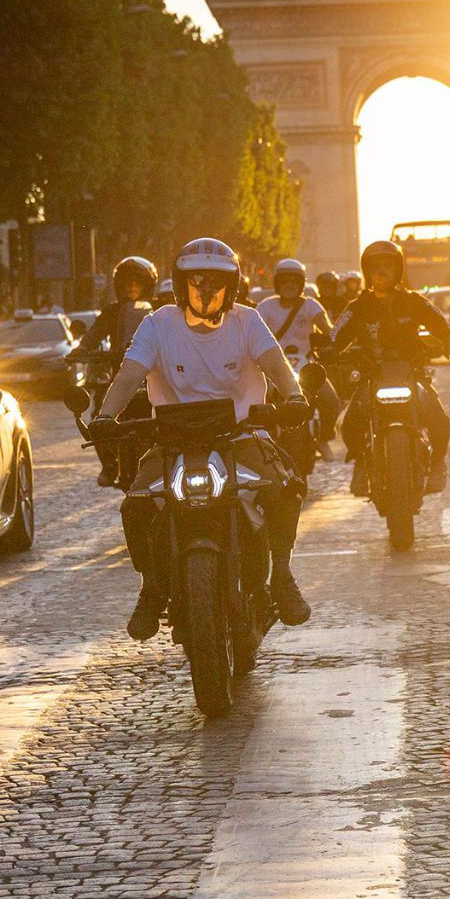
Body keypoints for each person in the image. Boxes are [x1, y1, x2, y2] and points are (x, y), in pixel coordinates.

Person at [90, 237, 313, 640]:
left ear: (232, 286)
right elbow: (128, 374)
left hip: (241, 435)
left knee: (284, 488)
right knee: (136, 505)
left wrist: (295, 396)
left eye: (216, 282)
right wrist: (105, 416)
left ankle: (281, 574)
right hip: (171, 442)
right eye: (197, 281)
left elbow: (277, 364)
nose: (206, 290)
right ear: (181, 285)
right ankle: (151, 589)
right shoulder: (157, 324)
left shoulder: (248, 321)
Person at [328, 240, 450, 496]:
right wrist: (327, 349)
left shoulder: (414, 301)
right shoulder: (358, 307)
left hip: (411, 374)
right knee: (350, 423)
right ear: (367, 272)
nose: (382, 271)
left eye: (388, 265)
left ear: (398, 270)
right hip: (372, 376)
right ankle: (361, 464)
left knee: (439, 418)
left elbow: (441, 324)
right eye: (376, 266)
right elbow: (336, 335)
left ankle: (437, 464)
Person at [70, 256, 160, 485]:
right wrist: (82, 349)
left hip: (154, 377)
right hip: (120, 376)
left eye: (136, 283)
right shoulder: (112, 311)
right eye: (126, 283)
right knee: (98, 417)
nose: (131, 288)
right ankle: (110, 465)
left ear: (147, 286)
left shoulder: (160, 311)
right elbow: (95, 334)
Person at [258, 258, 341, 458]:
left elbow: (330, 331)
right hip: (274, 368)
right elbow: (252, 334)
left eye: (294, 281)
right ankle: (262, 444)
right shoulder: (265, 307)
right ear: (277, 283)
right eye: (284, 280)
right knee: (257, 403)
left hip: (307, 367)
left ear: (301, 284)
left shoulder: (310, 305)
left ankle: (324, 438)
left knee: (331, 401)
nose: (289, 285)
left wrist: (333, 344)